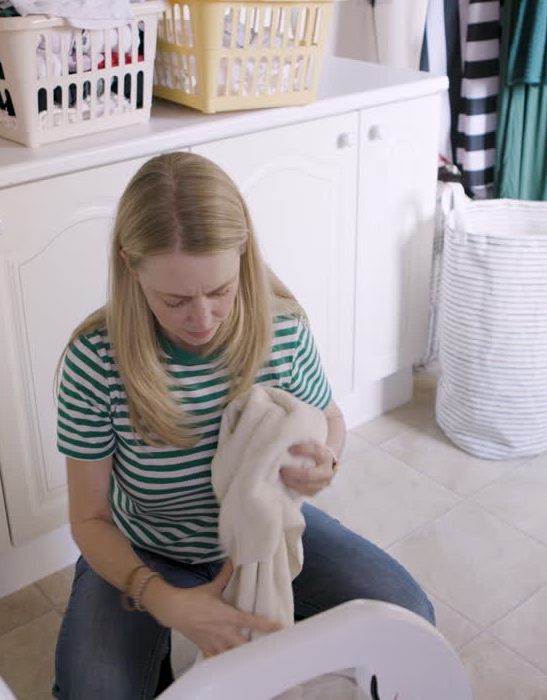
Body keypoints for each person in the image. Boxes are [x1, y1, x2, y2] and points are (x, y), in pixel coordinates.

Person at [52, 152, 434, 699]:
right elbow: (89, 519)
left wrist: (326, 458)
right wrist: (160, 597)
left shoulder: (281, 327)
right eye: (175, 300)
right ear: (131, 267)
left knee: (408, 617)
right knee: (93, 692)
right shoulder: (97, 362)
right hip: (147, 545)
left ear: (243, 256)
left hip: (265, 539)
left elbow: (329, 418)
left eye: (221, 292)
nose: (202, 320)